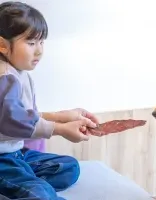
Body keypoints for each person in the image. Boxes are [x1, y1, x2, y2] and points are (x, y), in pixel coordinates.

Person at [0, 1, 99, 200]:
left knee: (68, 167)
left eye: (41, 42)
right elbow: (12, 120)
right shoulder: (5, 77)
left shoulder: (19, 74)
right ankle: (24, 185)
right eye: (30, 43)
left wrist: (62, 117)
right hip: (3, 160)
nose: (39, 51)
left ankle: (20, 182)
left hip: (16, 154)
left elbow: (24, 114)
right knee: (41, 193)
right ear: (2, 45)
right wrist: (60, 129)